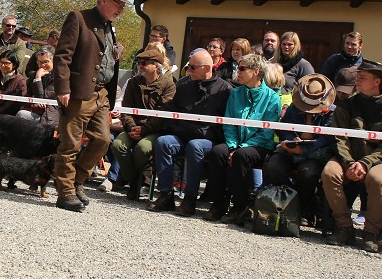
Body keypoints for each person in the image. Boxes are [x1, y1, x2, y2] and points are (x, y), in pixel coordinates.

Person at [52, 0, 128, 213]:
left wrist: (116, 53)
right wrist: (63, 88)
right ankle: (65, 193)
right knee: (70, 144)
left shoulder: (109, 26)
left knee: (103, 141)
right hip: (79, 93)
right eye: (118, 4)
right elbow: (62, 56)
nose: (121, 10)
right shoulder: (79, 18)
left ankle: (76, 182)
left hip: (102, 94)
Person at [321, 60, 382, 252]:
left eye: (363, 77)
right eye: (358, 76)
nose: (358, 79)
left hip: (376, 160)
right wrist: (349, 162)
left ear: (377, 81)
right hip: (347, 158)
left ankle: (371, 232)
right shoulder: (345, 104)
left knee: (377, 179)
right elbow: (338, 137)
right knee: (329, 173)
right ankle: (344, 226)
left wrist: (365, 163)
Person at [148, 48, 232, 213]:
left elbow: (225, 124)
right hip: (182, 135)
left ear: (207, 68)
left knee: (195, 146)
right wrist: (175, 128)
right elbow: (171, 112)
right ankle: (166, 194)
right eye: (188, 67)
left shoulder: (225, 90)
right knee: (163, 142)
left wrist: (204, 133)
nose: (188, 71)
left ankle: (190, 198)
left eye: (193, 67)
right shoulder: (183, 84)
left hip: (207, 139)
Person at [205, 52, 283, 221]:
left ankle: (240, 206)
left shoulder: (272, 98)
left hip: (260, 145)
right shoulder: (235, 93)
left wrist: (240, 148)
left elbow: (266, 132)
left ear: (256, 71)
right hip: (236, 142)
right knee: (218, 152)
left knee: (242, 156)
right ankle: (218, 203)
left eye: (242, 68)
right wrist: (232, 146)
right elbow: (229, 123)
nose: (237, 72)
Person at [262, 74, 338, 229]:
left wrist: (303, 149)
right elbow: (283, 128)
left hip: (316, 154)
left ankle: (305, 209)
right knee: (274, 166)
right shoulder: (294, 106)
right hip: (290, 151)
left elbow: (326, 139)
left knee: (308, 172)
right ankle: (289, 203)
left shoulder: (332, 112)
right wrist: (290, 140)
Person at [110, 46, 176, 200]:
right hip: (133, 127)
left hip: (154, 130)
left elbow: (162, 115)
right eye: (138, 62)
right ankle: (134, 179)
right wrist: (132, 127)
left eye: (144, 62)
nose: (140, 65)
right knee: (118, 145)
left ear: (156, 65)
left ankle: (131, 180)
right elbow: (126, 109)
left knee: (143, 147)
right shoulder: (133, 82)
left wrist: (144, 130)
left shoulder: (168, 85)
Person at [23, 46, 59, 127]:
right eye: (39, 62)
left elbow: (42, 98)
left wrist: (38, 79)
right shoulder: (34, 76)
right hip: (37, 113)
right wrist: (33, 104)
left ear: (53, 61)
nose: (42, 65)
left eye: (46, 62)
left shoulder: (58, 78)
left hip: (52, 116)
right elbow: (25, 100)